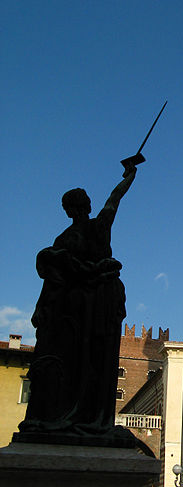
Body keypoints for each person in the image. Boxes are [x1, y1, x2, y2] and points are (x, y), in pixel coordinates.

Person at [18, 165, 137, 437]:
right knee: (94, 357)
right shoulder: (99, 224)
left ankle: (65, 414)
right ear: (86, 205)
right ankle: (88, 416)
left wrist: (41, 308)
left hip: (74, 305)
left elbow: (51, 280)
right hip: (96, 302)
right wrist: (130, 175)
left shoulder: (63, 239)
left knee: (74, 357)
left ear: (68, 210)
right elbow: (114, 199)